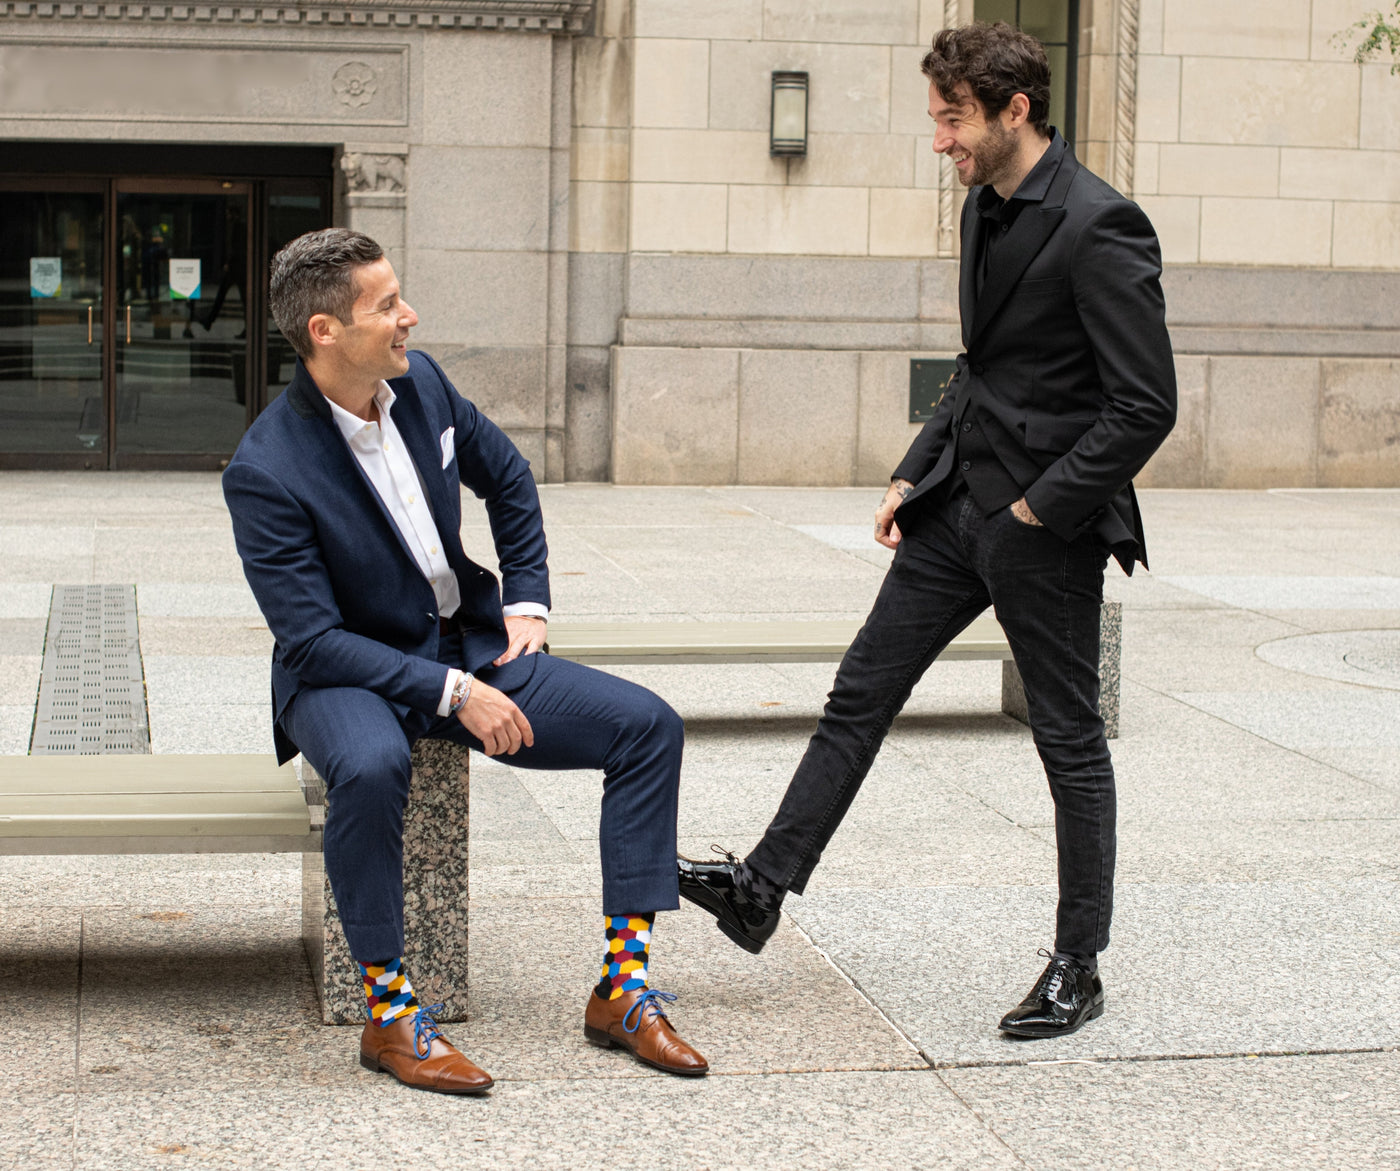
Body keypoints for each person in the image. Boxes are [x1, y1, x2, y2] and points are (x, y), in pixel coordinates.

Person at [678, 21, 1177, 1039]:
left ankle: (1077, 964)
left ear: (1013, 111)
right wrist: (914, 470)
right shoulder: (981, 211)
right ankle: (763, 888)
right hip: (955, 508)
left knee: (1066, 740)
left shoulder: (1100, 224)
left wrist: (1044, 505)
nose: (939, 140)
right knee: (858, 694)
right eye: (936, 120)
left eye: (952, 121)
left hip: (1045, 527)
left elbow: (1144, 405)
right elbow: (983, 365)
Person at [223, 228, 707, 1094]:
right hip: (344, 671)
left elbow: (510, 477)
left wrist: (527, 599)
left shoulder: (425, 384)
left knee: (648, 727)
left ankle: (622, 988)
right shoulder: (266, 467)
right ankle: (391, 1013)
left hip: (466, 636)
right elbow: (311, 637)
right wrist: (455, 694)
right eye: (386, 306)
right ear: (326, 332)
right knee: (371, 765)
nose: (409, 316)